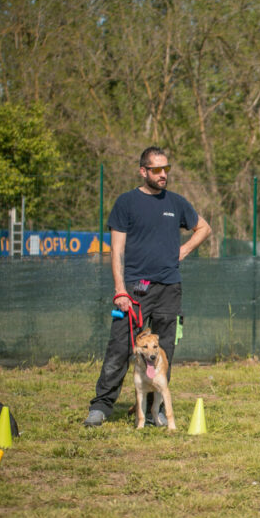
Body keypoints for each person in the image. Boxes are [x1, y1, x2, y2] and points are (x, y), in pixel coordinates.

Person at [84, 146, 211, 427]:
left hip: (170, 289)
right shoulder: (126, 203)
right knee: (120, 347)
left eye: (166, 169)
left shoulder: (177, 203)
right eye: (156, 169)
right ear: (143, 171)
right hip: (134, 288)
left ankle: (156, 411)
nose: (163, 174)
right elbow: (116, 251)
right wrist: (120, 289)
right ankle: (101, 406)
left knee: (164, 350)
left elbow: (204, 228)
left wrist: (183, 251)